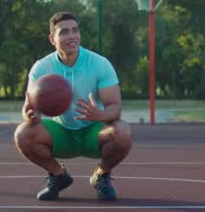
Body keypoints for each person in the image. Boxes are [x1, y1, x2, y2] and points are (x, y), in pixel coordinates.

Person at [14, 12, 132, 201]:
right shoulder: (41, 68)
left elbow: (115, 108)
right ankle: (58, 176)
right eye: (64, 32)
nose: (72, 36)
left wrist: (99, 115)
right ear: (52, 39)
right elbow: (28, 107)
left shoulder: (99, 64)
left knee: (123, 131)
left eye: (75, 31)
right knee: (23, 133)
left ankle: (101, 176)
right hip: (60, 131)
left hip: (94, 131)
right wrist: (30, 115)